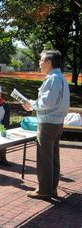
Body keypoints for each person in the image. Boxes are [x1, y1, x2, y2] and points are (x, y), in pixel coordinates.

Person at [23, 50, 70, 199]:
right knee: (53, 157)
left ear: (49, 63)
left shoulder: (53, 79)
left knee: (44, 158)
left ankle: (44, 190)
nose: (39, 63)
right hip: (57, 122)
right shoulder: (61, 77)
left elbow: (47, 102)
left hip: (48, 122)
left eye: (41, 60)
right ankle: (52, 187)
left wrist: (32, 104)